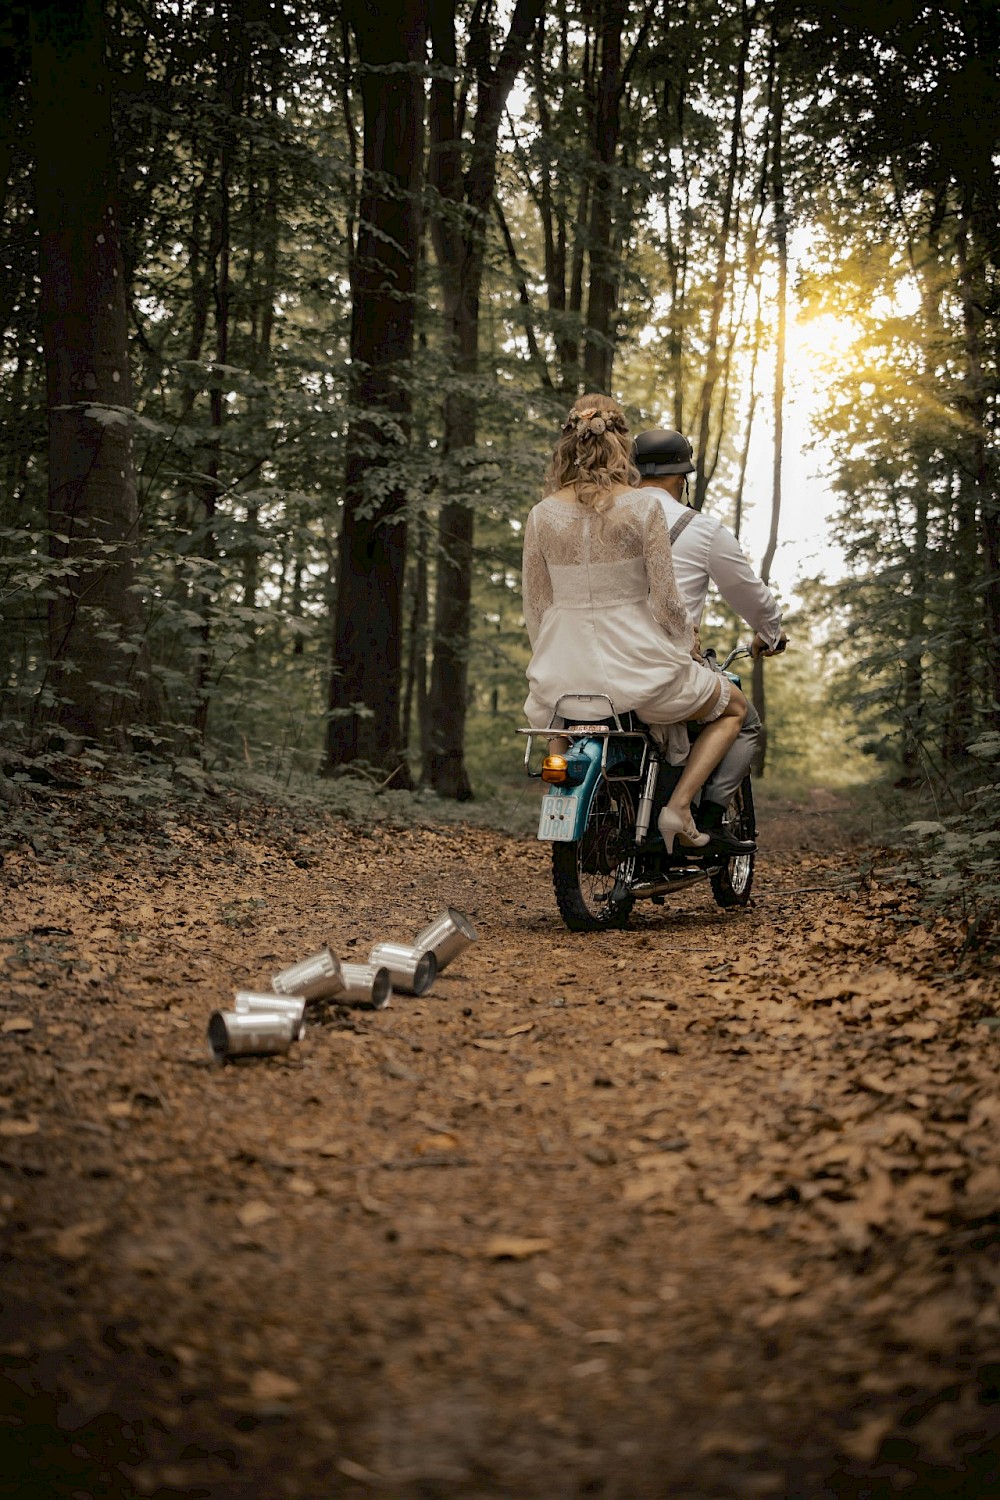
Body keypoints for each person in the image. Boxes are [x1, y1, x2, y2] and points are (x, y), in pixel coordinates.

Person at [522, 395, 750, 855]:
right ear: (622, 446)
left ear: (567, 445)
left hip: (562, 669)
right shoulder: (642, 509)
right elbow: (666, 600)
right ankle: (679, 808)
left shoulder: (542, 514)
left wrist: (546, 656)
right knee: (736, 709)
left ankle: (559, 786)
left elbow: (537, 605)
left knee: (556, 715)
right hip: (636, 665)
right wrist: (685, 645)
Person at [632, 428, 787, 846]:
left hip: (597, 662)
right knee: (744, 718)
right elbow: (749, 593)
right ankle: (708, 816)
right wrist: (770, 633)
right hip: (664, 664)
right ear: (682, 477)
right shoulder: (699, 529)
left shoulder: (607, 521)